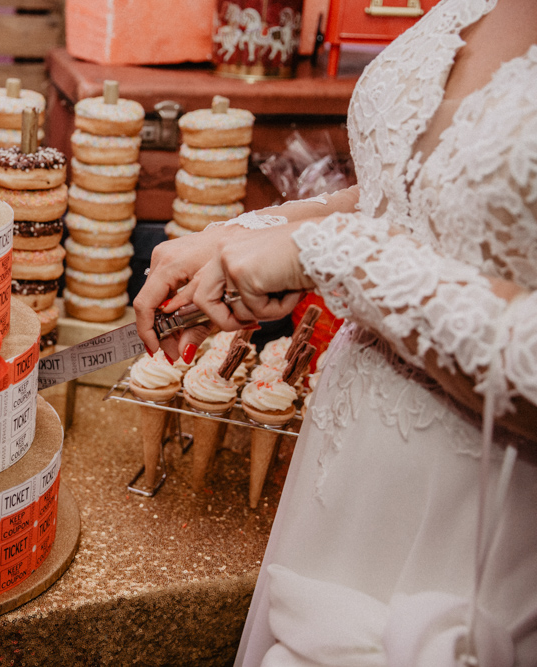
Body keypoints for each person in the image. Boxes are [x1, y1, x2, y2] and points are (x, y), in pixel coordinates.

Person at [134, 0, 537, 664]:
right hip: (344, 478)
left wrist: (329, 255)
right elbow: (418, 191)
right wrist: (249, 233)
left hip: (479, 530)